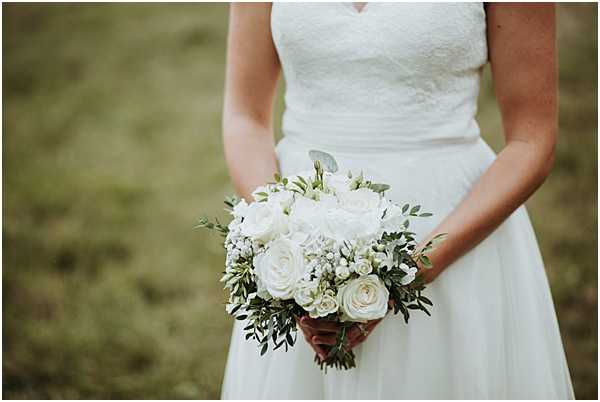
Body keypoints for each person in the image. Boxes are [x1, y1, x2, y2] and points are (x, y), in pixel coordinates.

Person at [220, 3, 574, 399]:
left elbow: (531, 140)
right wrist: (282, 241)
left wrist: (407, 275)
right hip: (301, 243)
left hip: (454, 237)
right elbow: (245, 117)